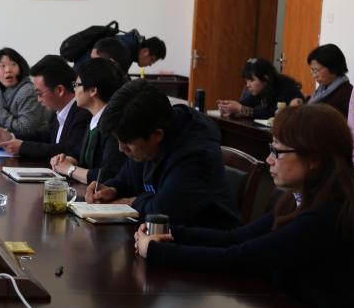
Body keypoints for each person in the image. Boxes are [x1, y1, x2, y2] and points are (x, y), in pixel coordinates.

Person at [135, 104, 354, 308]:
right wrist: (169, 232)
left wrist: (156, 251)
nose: (269, 159)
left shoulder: (325, 216)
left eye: (278, 152)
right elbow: (235, 238)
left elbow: (239, 258)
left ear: (314, 159)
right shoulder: (299, 199)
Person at [86, 80, 241, 229]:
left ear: (157, 135)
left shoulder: (195, 154)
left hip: (205, 238)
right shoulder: (146, 133)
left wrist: (132, 202)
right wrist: (113, 189)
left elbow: (164, 210)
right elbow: (128, 177)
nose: (121, 148)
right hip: (159, 234)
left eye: (127, 142)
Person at [0, 55, 89, 161]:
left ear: (59, 90)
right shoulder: (58, 111)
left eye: (39, 94)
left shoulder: (83, 113)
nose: (38, 99)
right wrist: (11, 136)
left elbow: (69, 150)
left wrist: (22, 147)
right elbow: (44, 136)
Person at [50, 57, 129, 185]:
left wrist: (70, 170)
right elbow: (82, 156)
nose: (74, 90)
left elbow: (109, 174)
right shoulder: (94, 118)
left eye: (77, 85)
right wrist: (68, 160)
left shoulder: (114, 124)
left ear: (92, 91)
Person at [0, 48, 51, 138]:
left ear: (21, 67)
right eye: (2, 66)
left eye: (13, 64)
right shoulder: (1, 89)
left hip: (27, 143)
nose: (8, 70)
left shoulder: (28, 91)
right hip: (6, 140)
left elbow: (25, 129)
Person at [217, 58, 303, 120]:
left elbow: (271, 114)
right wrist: (228, 106)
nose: (248, 85)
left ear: (266, 78)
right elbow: (245, 103)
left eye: (251, 80)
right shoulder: (261, 88)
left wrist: (240, 108)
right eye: (246, 81)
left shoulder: (286, 88)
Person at [300, 44, 352, 117]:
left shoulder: (346, 95)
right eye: (312, 70)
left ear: (333, 68)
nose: (314, 76)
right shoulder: (323, 88)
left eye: (316, 70)